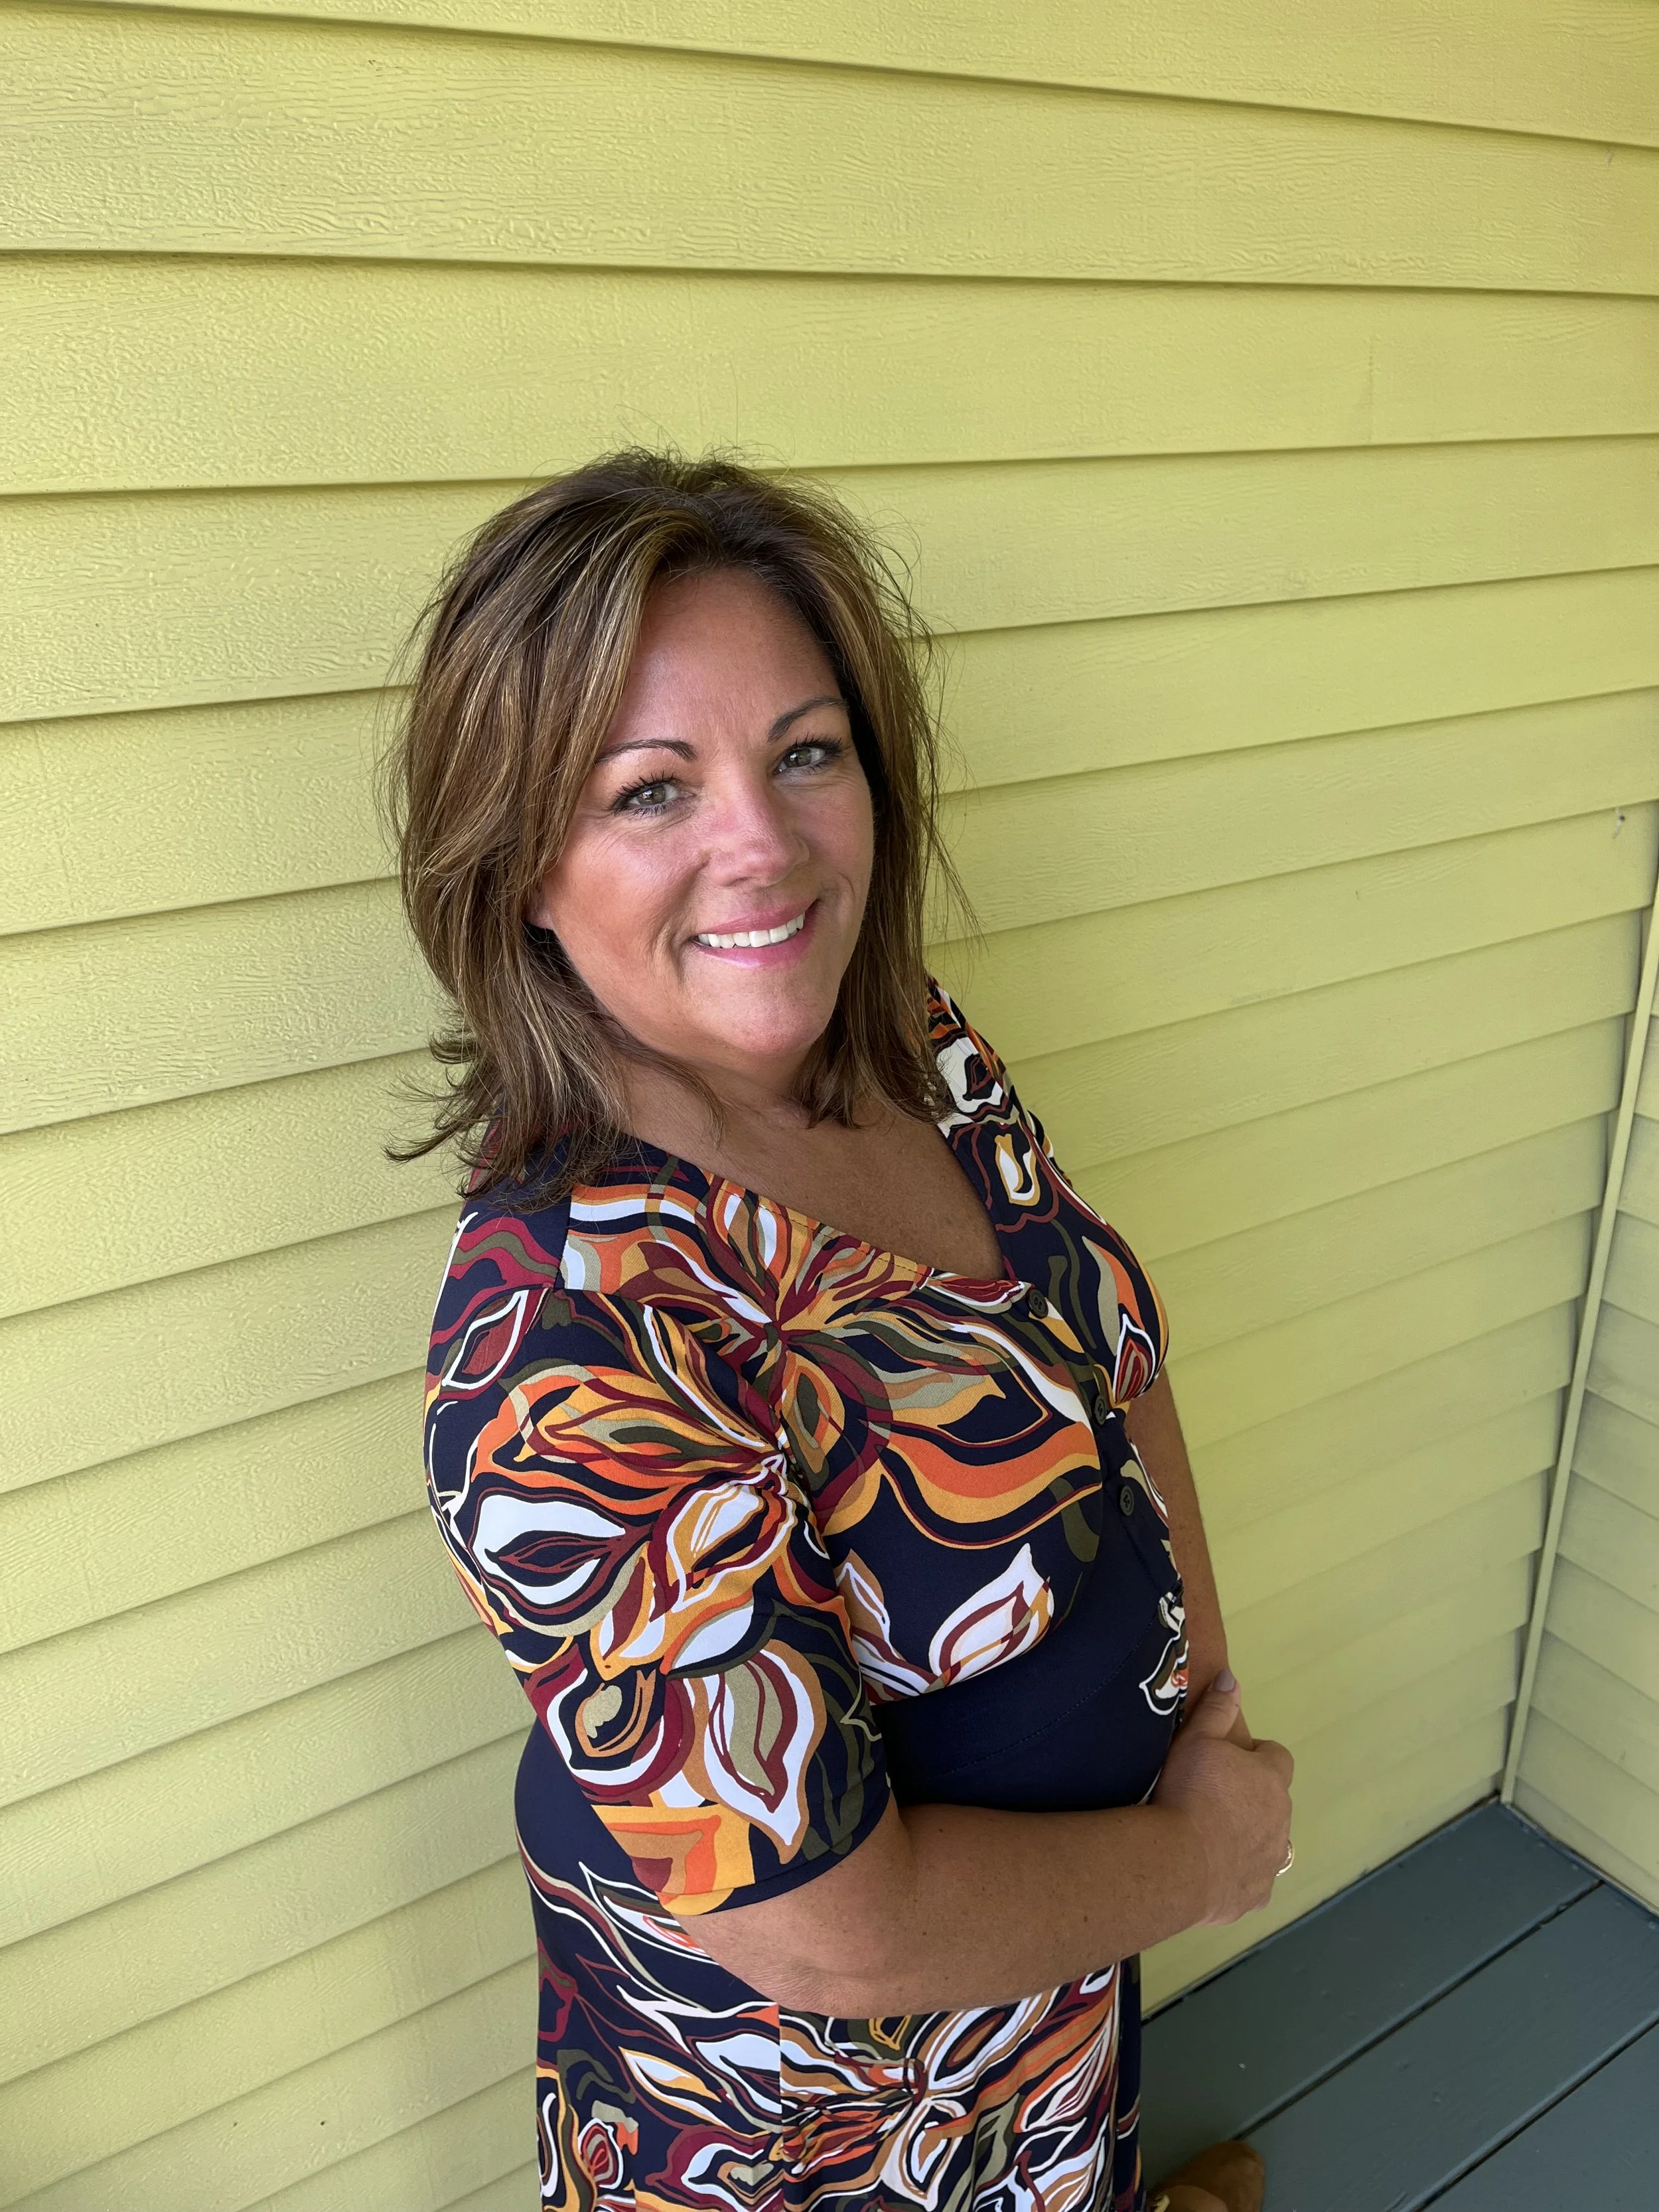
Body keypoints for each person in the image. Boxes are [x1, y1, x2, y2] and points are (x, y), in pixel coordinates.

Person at [390, 450, 1295, 2212]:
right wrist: (1195, 1851)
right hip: (811, 2121)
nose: (765, 843)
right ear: (518, 869)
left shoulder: (903, 1046)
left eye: (805, 752)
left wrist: (1196, 1695)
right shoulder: (567, 1348)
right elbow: (840, 1936)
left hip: (1048, 1996)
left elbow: (1101, 1334)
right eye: (650, 789)